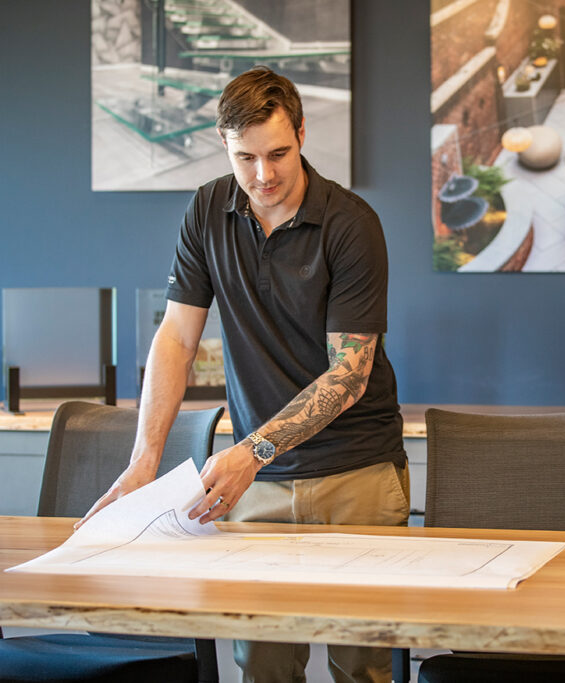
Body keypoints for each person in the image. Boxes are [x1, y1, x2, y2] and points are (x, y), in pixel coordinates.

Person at [77, 66, 409, 683]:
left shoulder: (350, 223)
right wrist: (144, 462)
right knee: (261, 666)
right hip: (257, 482)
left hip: (356, 472)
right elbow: (176, 337)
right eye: (246, 157)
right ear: (222, 145)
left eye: (279, 153)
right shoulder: (207, 209)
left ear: (303, 134)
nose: (265, 176)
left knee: (360, 668)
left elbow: (350, 374)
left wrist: (252, 448)